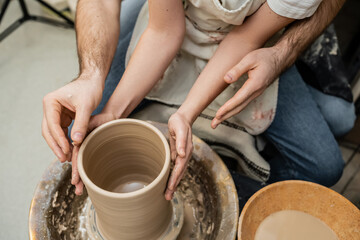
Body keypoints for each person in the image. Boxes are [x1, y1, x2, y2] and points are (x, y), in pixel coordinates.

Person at [42, 0, 355, 199]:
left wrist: (186, 114)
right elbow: (164, 31)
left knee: (325, 167)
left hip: (245, 45)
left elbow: (245, 38)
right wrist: (112, 112)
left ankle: (227, 183)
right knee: (83, 137)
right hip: (174, 21)